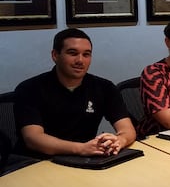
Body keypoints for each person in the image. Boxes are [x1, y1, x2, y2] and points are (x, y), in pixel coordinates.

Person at [13, 28, 136, 158]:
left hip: (84, 158)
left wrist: (119, 141)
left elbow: (127, 130)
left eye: (86, 54)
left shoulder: (104, 87)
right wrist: (81, 149)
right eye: (73, 53)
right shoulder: (29, 88)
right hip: (36, 161)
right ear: (55, 55)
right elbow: (33, 139)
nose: (80, 61)